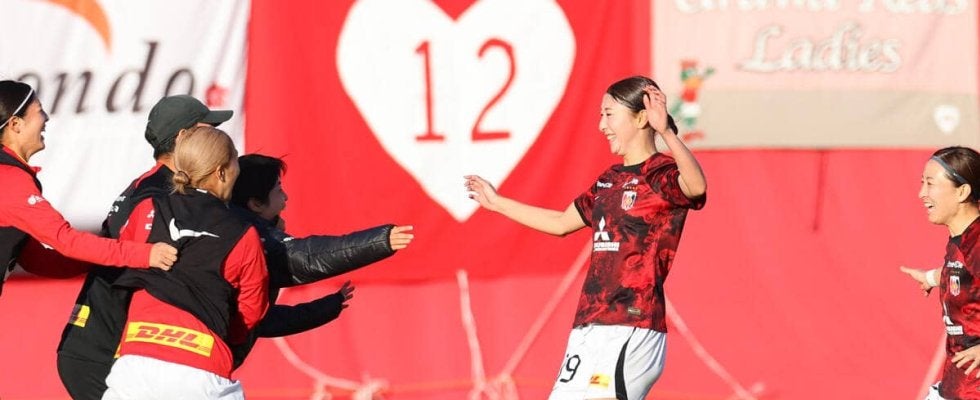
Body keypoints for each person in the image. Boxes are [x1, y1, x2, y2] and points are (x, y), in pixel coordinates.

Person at [57, 95, 413, 399]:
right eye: (208, 129)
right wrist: (379, 241)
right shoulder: (189, 209)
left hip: (119, 354)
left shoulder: (152, 195)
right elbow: (271, 284)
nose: (216, 134)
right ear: (185, 139)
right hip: (118, 354)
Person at [465, 75, 707, 400]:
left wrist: (666, 132)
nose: (601, 125)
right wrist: (497, 203)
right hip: (589, 326)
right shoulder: (609, 180)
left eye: (609, 114)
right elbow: (561, 223)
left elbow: (696, 186)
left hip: (632, 324)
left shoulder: (660, 174)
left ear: (640, 118)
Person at [101, 126, 268, 399]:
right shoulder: (243, 233)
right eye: (235, 160)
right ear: (221, 173)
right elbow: (251, 309)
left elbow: (119, 258)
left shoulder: (148, 208)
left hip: (135, 363)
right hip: (201, 372)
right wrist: (226, 341)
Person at [227, 153, 414, 367]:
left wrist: (327, 307)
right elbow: (304, 257)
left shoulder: (228, 225)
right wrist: (379, 241)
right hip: (204, 367)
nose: (285, 198)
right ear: (256, 204)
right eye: (278, 189)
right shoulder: (250, 237)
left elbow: (256, 319)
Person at [0, 80, 176, 298]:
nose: (46, 118)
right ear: (15, 124)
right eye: (39, 111)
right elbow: (65, 240)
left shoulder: (9, 176)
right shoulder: (10, 180)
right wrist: (143, 254)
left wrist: (104, 257)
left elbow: (38, 261)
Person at [901, 147, 980, 400]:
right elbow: (963, 275)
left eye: (930, 183)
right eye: (922, 183)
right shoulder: (962, 239)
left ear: (962, 191)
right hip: (956, 387)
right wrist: (930, 278)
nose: (921, 193)